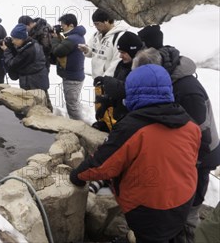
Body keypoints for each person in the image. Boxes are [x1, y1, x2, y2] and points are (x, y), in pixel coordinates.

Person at [70, 64, 201, 243]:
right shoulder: (189, 124)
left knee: (149, 235)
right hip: (184, 200)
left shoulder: (133, 127)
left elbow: (102, 165)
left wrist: (77, 176)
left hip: (149, 209)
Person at [134, 28, 220, 241]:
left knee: (190, 208)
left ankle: (190, 236)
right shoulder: (170, 80)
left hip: (202, 156)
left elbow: (200, 134)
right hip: (187, 156)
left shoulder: (187, 90)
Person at [91, 32, 144, 132]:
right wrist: (106, 101)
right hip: (120, 117)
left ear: (133, 51)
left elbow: (129, 90)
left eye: (123, 52)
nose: (120, 56)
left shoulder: (144, 68)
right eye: (119, 52)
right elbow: (119, 89)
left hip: (135, 122)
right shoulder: (122, 64)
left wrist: (107, 81)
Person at [50, 13, 86, 121]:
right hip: (73, 76)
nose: (61, 27)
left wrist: (55, 38)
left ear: (71, 26)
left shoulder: (73, 39)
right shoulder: (75, 36)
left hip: (72, 78)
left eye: (63, 25)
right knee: (73, 103)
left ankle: (79, 129)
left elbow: (57, 51)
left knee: (72, 106)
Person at [79, 9, 128, 78]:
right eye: (94, 24)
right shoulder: (96, 35)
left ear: (107, 21)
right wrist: (86, 50)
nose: (96, 27)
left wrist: (105, 79)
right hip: (96, 79)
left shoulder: (119, 37)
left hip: (109, 80)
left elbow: (117, 61)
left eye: (97, 24)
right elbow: (91, 51)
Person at [2, 23, 49, 92]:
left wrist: (7, 51)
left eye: (15, 39)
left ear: (22, 38)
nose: (13, 41)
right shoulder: (33, 43)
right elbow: (19, 55)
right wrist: (12, 48)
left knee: (35, 102)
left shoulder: (28, 51)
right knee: (43, 100)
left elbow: (12, 63)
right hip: (38, 81)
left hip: (33, 84)